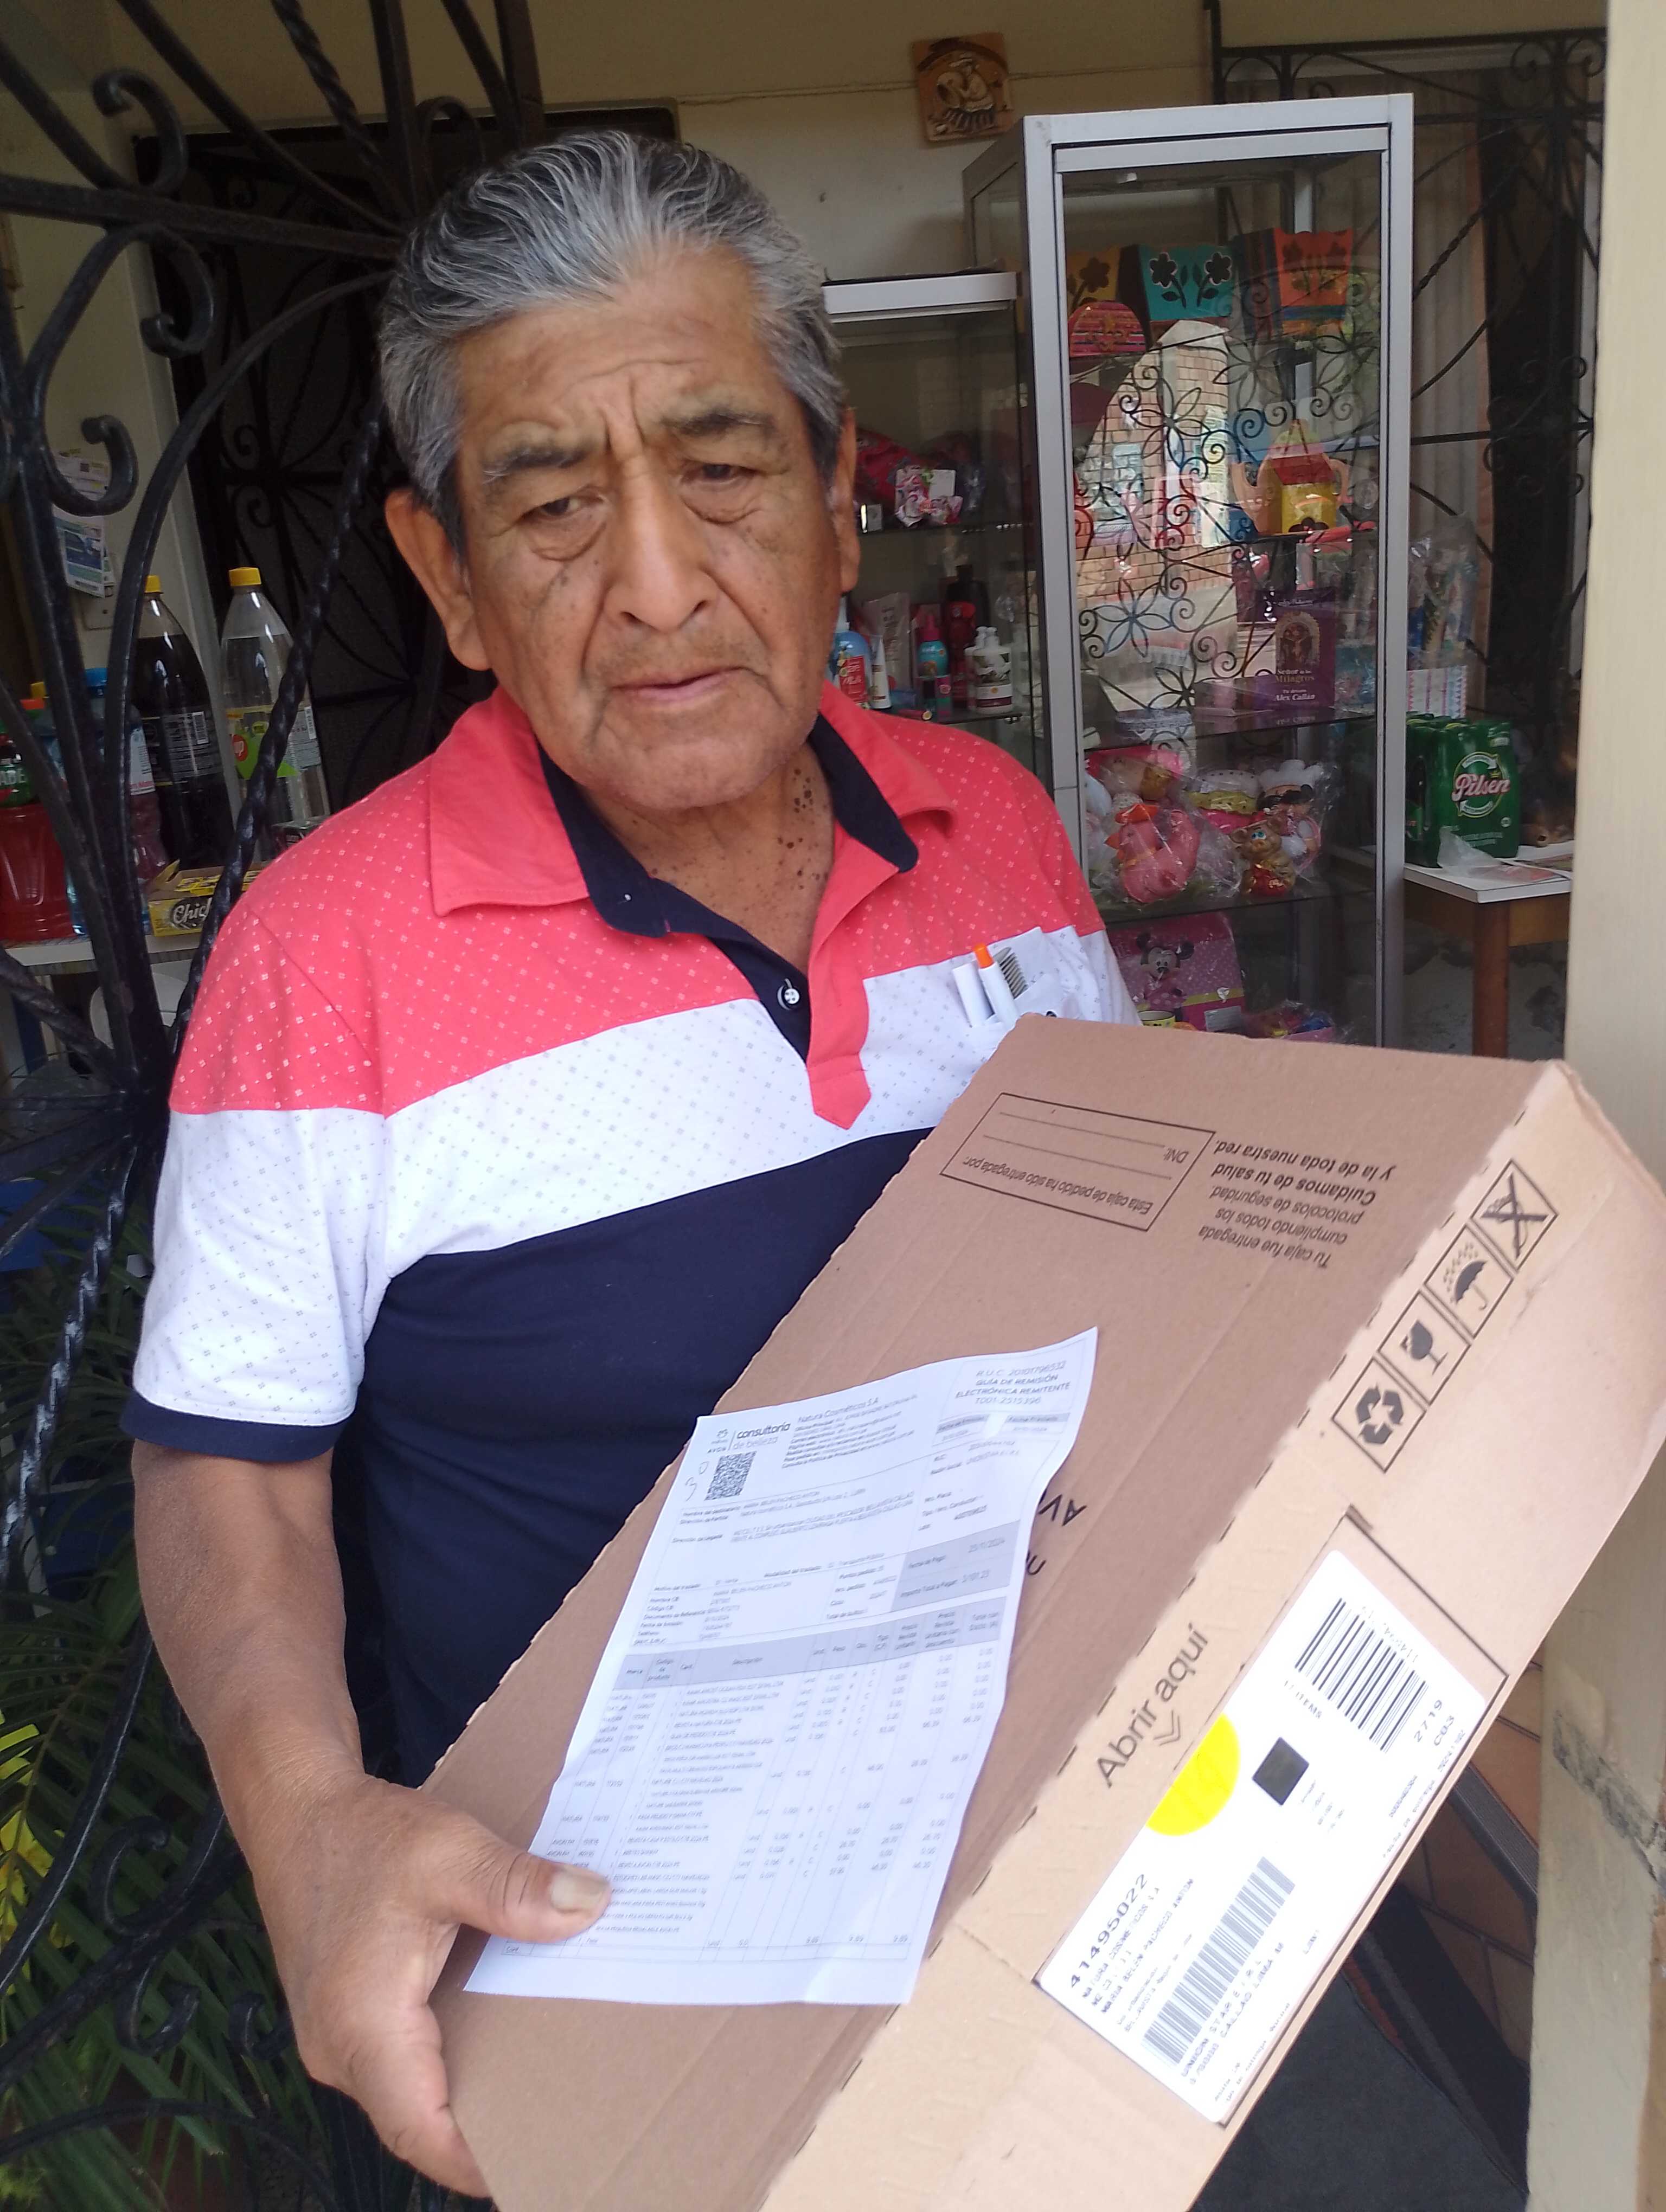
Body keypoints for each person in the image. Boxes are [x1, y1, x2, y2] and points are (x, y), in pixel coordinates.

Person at [126, 131, 1136, 2193]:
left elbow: (1141, 1263)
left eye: (723, 467)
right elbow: (230, 1470)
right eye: (555, 505)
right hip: (611, 1983)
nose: (659, 586)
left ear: (840, 499)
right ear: (449, 581)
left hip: (1040, 1894)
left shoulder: (1000, 831)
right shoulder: (323, 957)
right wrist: (306, 1817)